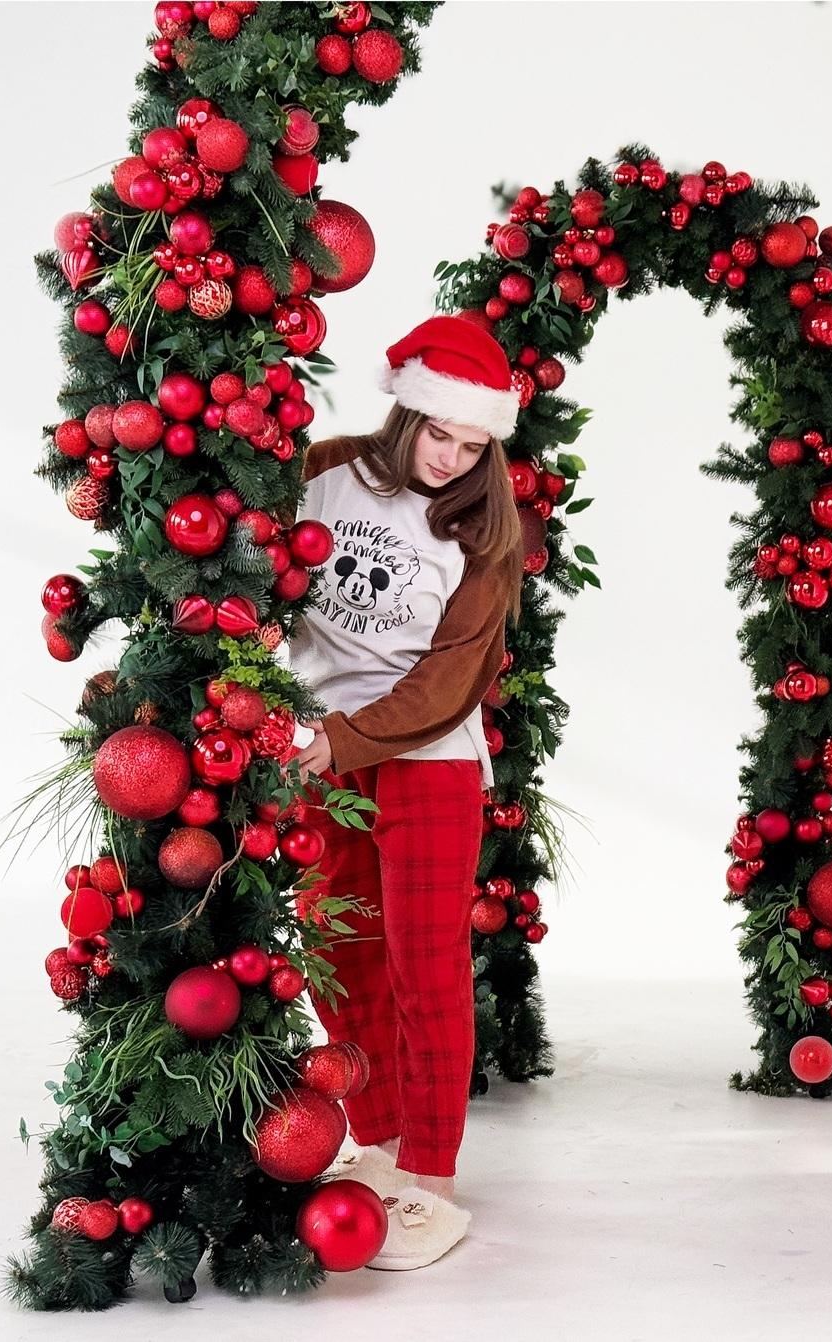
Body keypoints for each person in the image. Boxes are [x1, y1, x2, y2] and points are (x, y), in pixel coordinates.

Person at [283, 314, 523, 1271]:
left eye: (471, 445)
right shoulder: (327, 471)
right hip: (315, 751)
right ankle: (378, 1142)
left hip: (426, 760)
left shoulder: (485, 529)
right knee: (337, 951)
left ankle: (432, 1176)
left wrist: (337, 743)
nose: (450, 459)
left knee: (425, 968)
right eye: (439, 435)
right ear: (408, 413)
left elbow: (449, 683)